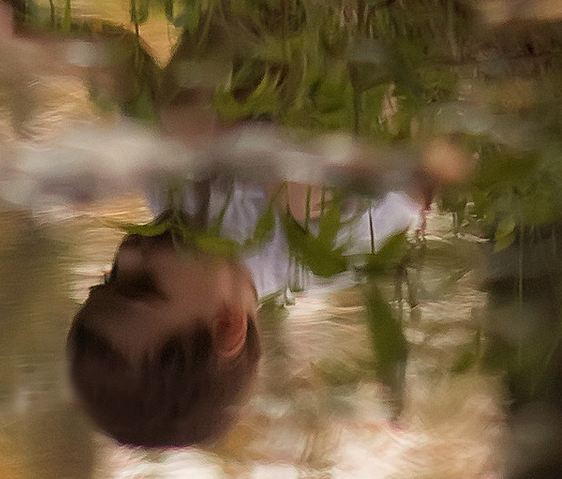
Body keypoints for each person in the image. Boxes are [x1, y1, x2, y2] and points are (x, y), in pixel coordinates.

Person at [66, 174, 430, 452]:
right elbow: (426, 175)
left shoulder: (171, 196)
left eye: (110, 276)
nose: (126, 256)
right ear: (226, 325)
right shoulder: (324, 251)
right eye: (142, 286)